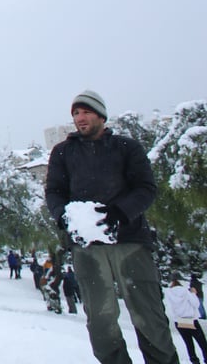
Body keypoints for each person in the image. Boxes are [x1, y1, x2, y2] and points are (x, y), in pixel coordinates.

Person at [46, 89, 179, 364]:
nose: (80, 118)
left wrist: (120, 212)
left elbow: (146, 188)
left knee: (148, 315)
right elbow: (55, 192)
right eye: (76, 114)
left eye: (86, 112)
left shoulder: (126, 148)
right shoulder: (63, 152)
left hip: (129, 241)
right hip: (88, 247)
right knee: (100, 319)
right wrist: (64, 217)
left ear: (101, 115)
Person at [167, 279, 207, 364]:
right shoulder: (186, 292)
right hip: (191, 321)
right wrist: (193, 293)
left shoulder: (170, 293)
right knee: (202, 343)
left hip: (179, 321)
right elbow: (196, 304)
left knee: (189, 343)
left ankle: (194, 360)